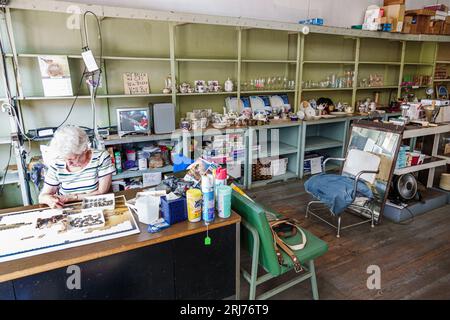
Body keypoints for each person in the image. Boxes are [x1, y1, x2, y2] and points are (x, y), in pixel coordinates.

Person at [39, 125, 116, 209]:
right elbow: (42, 197)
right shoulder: (57, 162)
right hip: (67, 209)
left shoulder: (101, 157)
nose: (68, 164)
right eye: (64, 159)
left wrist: (71, 197)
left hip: (95, 206)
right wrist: (49, 200)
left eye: (72, 159)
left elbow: (101, 192)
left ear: (84, 150)